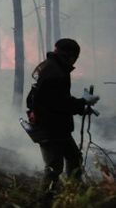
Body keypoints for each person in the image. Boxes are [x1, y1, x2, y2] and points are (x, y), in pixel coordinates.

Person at [26, 38, 100, 197]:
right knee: (54, 168)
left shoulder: (54, 68)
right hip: (49, 129)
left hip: (58, 128)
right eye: (75, 57)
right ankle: (45, 201)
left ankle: (73, 194)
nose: (75, 61)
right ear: (71, 56)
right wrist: (82, 102)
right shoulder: (56, 73)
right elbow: (59, 103)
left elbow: (54, 99)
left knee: (74, 159)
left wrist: (81, 107)